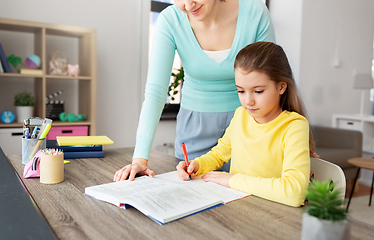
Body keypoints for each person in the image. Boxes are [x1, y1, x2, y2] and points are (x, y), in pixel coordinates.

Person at [114, 0, 275, 181]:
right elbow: (155, 92)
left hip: (250, 124)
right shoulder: (171, 20)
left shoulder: (254, 12)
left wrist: (292, 136)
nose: (188, 5)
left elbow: (273, 80)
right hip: (194, 128)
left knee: (248, 199)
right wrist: (140, 160)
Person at [176, 41, 314, 207]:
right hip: (239, 207)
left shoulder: (294, 126)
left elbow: (294, 192)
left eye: (258, 91)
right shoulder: (241, 115)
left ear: (281, 87)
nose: (248, 101)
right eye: (240, 90)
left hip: (275, 214)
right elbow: (219, 154)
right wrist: (198, 165)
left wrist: (232, 179)